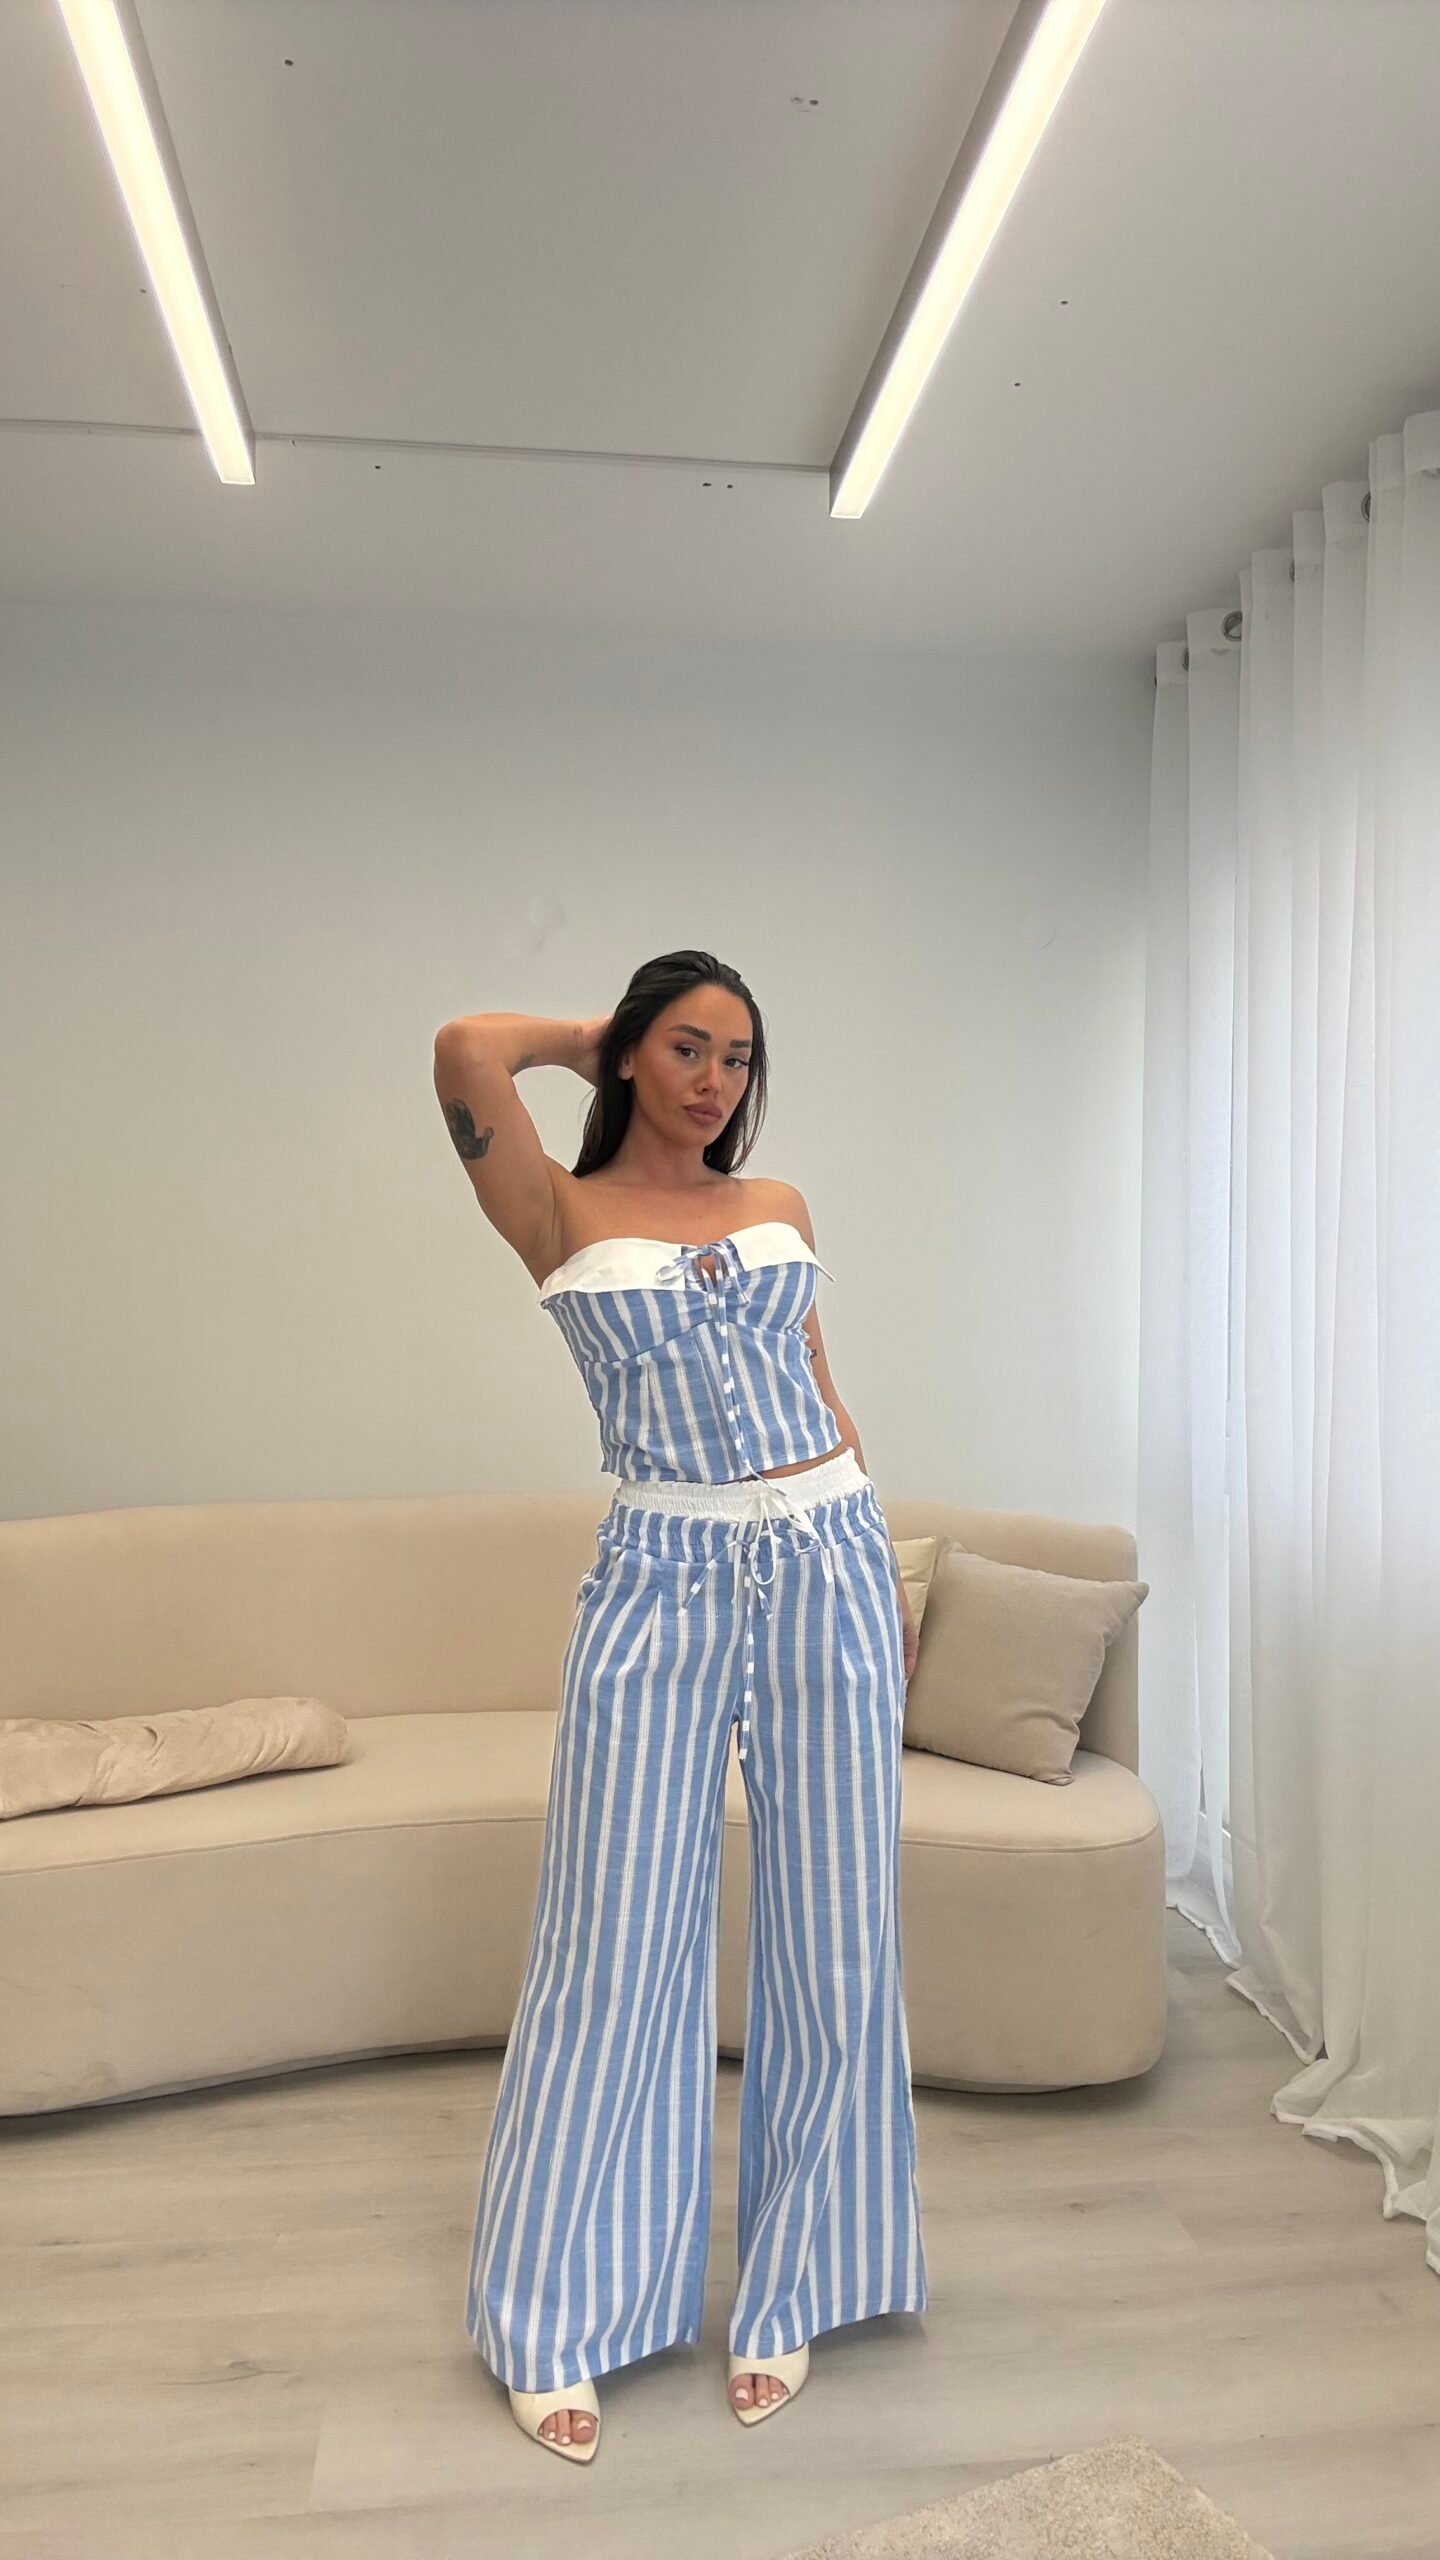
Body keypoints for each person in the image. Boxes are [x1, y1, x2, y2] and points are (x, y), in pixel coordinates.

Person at [433, 949, 928, 2464]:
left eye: (740, 1057)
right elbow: (463, 1050)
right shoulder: (558, 1213)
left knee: (837, 1931)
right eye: (689, 1048)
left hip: (830, 1557)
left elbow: (825, 1392)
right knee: (615, 1943)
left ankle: (798, 2286)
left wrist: (881, 1573)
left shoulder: (778, 1207)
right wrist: (591, 1034)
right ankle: (561, 2310)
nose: (718, 1080)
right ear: (635, 1056)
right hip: (663, 1576)